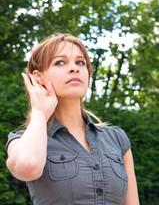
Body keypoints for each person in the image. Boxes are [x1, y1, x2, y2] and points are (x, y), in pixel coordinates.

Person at [6, 33, 140, 205]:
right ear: (38, 77)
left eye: (80, 62)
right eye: (60, 62)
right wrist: (40, 112)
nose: (74, 68)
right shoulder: (21, 140)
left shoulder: (117, 138)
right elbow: (28, 166)